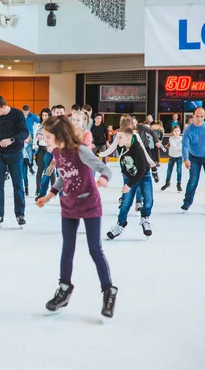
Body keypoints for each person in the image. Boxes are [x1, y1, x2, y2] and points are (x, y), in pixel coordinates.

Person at [36, 116, 117, 318]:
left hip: (90, 204)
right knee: (67, 248)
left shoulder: (81, 151)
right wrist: (49, 195)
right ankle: (63, 290)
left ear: (59, 135)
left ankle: (108, 292)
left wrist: (104, 179)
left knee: (94, 249)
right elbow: (64, 174)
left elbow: (104, 168)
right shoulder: (56, 151)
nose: (45, 140)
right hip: (69, 205)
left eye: (48, 136)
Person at [0, 95, 29, 227]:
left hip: (15, 153)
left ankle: (20, 214)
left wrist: (11, 140)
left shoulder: (17, 114)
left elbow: (25, 132)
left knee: (18, 185)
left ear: (4, 106)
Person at [107, 127, 154, 239]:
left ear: (128, 137)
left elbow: (142, 170)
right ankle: (121, 224)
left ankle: (145, 219)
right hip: (130, 176)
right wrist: (127, 180)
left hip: (144, 176)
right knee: (125, 203)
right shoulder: (121, 147)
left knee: (148, 200)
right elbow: (123, 164)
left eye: (120, 137)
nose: (117, 139)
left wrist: (129, 185)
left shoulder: (137, 148)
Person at [33, 108, 52, 195]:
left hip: (50, 149)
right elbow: (35, 136)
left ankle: (53, 189)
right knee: (40, 169)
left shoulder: (53, 125)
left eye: (46, 115)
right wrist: (35, 145)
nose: (44, 117)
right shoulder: (38, 125)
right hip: (41, 148)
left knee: (50, 170)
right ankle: (38, 188)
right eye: (43, 115)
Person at [161, 126, 183, 192]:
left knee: (179, 170)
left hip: (179, 157)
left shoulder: (182, 139)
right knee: (169, 170)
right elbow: (173, 146)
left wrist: (182, 149)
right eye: (175, 131)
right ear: (173, 132)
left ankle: (178, 184)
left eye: (178, 131)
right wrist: (179, 149)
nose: (176, 132)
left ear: (180, 132)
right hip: (171, 157)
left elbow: (183, 147)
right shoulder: (171, 139)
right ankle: (167, 183)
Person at [22, 105, 40, 174]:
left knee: (30, 152)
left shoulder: (32, 116)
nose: (25, 113)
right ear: (22, 110)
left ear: (29, 110)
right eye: (24, 112)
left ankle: (30, 166)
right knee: (21, 151)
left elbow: (39, 121)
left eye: (27, 111)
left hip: (30, 136)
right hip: (21, 135)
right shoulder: (20, 115)